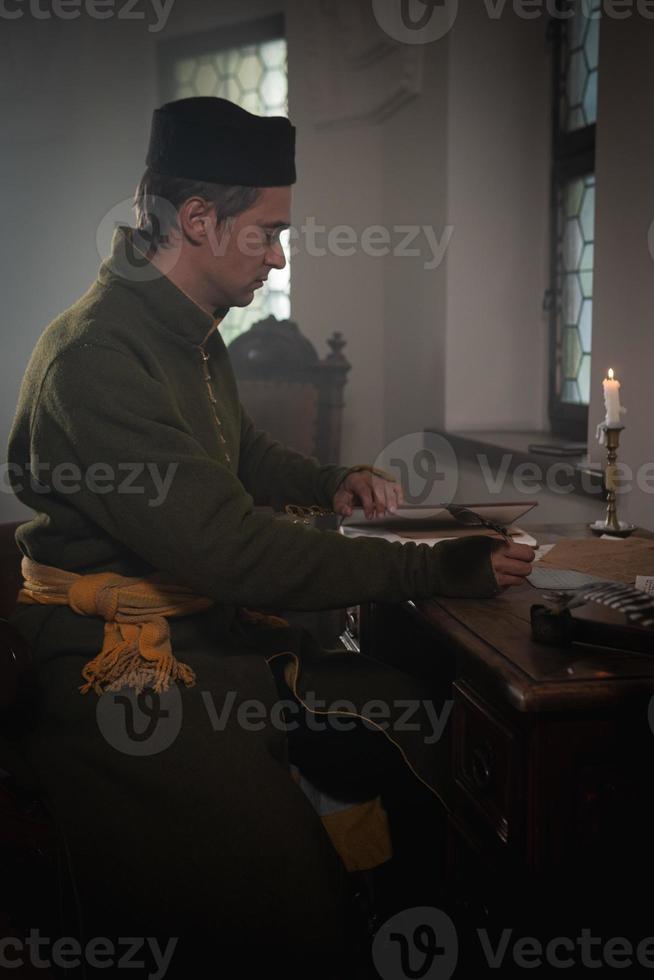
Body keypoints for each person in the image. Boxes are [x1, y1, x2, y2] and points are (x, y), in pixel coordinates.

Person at [6, 97, 534, 976]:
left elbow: (235, 451)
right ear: (201, 220)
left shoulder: (184, 328)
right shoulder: (99, 356)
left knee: (415, 722)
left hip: (199, 629)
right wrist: (435, 566)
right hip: (127, 667)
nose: (280, 256)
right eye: (270, 231)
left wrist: (328, 481)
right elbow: (233, 549)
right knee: (280, 902)